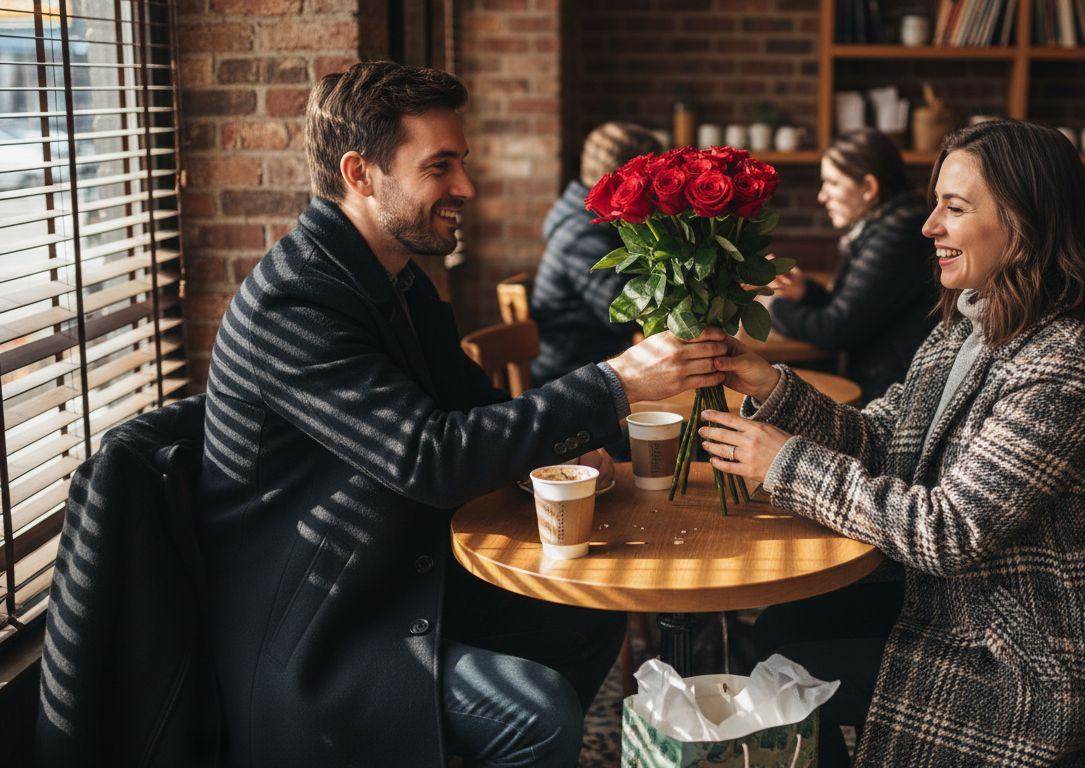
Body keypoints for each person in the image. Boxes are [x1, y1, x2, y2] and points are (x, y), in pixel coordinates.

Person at [197, 62, 727, 768]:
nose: (466, 189)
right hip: (326, 628)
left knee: (589, 611)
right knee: (532, 712)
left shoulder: (399, 281)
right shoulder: (293, 305)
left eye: (463, 163)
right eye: (439, 167)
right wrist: (615, 382)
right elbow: (432, 458)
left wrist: (561, 451)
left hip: (405, 575)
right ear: (361, 174)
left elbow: (477, 413)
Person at [698, 121, 1085, 767]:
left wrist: (783, 462)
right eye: (936, 202)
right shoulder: (966, 327)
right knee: (779, 634)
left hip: (1031, 660)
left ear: (1026, 223)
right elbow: (882, 441)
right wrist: (771, 386)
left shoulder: (1063, 359)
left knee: (780, 677)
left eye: (954, 208)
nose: (929, 225)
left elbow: (952, 530)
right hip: (961, 610)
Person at [767, 128, 937, 403]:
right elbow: (858, 311)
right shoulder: (886, 224)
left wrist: (772, 307)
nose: (822, 196)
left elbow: (837, 330)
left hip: (892, 395)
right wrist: (804, 293)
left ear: (869, 188)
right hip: (883, 383)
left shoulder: (898, 234)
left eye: (832, 183)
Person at [530, 121, 662, 386]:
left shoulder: (580, 211)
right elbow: (621, 313)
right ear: (628, 179)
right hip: (571, 376)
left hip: (599, 362)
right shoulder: (581, 232)